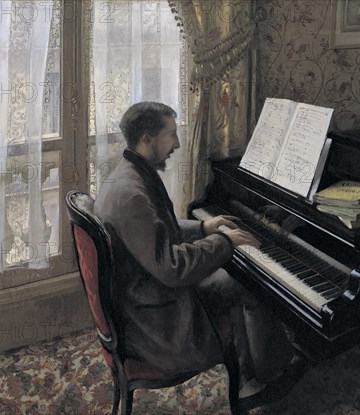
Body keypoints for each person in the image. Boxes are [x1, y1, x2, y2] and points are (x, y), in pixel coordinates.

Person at [94, 101, 303, 408]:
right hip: (154, 321)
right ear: (147, 139)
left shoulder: (128, 175)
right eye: (171, 135)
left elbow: (156, 228)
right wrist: (224, 241)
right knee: (251, 286)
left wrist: (204, 226)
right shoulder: (131, 195)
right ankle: (271, 372)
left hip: (146, 296)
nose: (177, 143)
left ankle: (249, 373)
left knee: (236, 280)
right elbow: (173, 268)